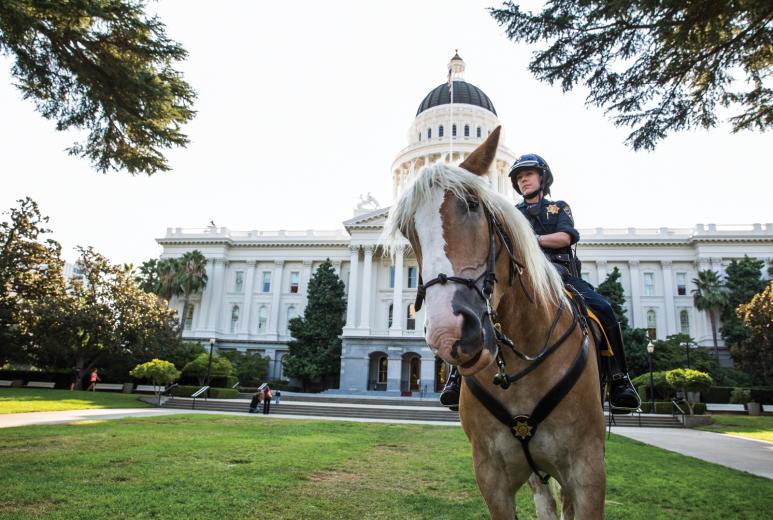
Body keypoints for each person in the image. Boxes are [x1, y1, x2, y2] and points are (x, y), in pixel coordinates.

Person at [440, 154, 640, 413]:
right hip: (520, 275)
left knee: (603, 308)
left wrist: (531, 240)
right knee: (475, 308)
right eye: (519, 178)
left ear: (542, 178)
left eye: (529, 175)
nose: (523, 181)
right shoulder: (511, 213)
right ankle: (456, 379)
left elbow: (565, 237)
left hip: (558, 273)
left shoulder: (558, 208)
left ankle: (619, 379)